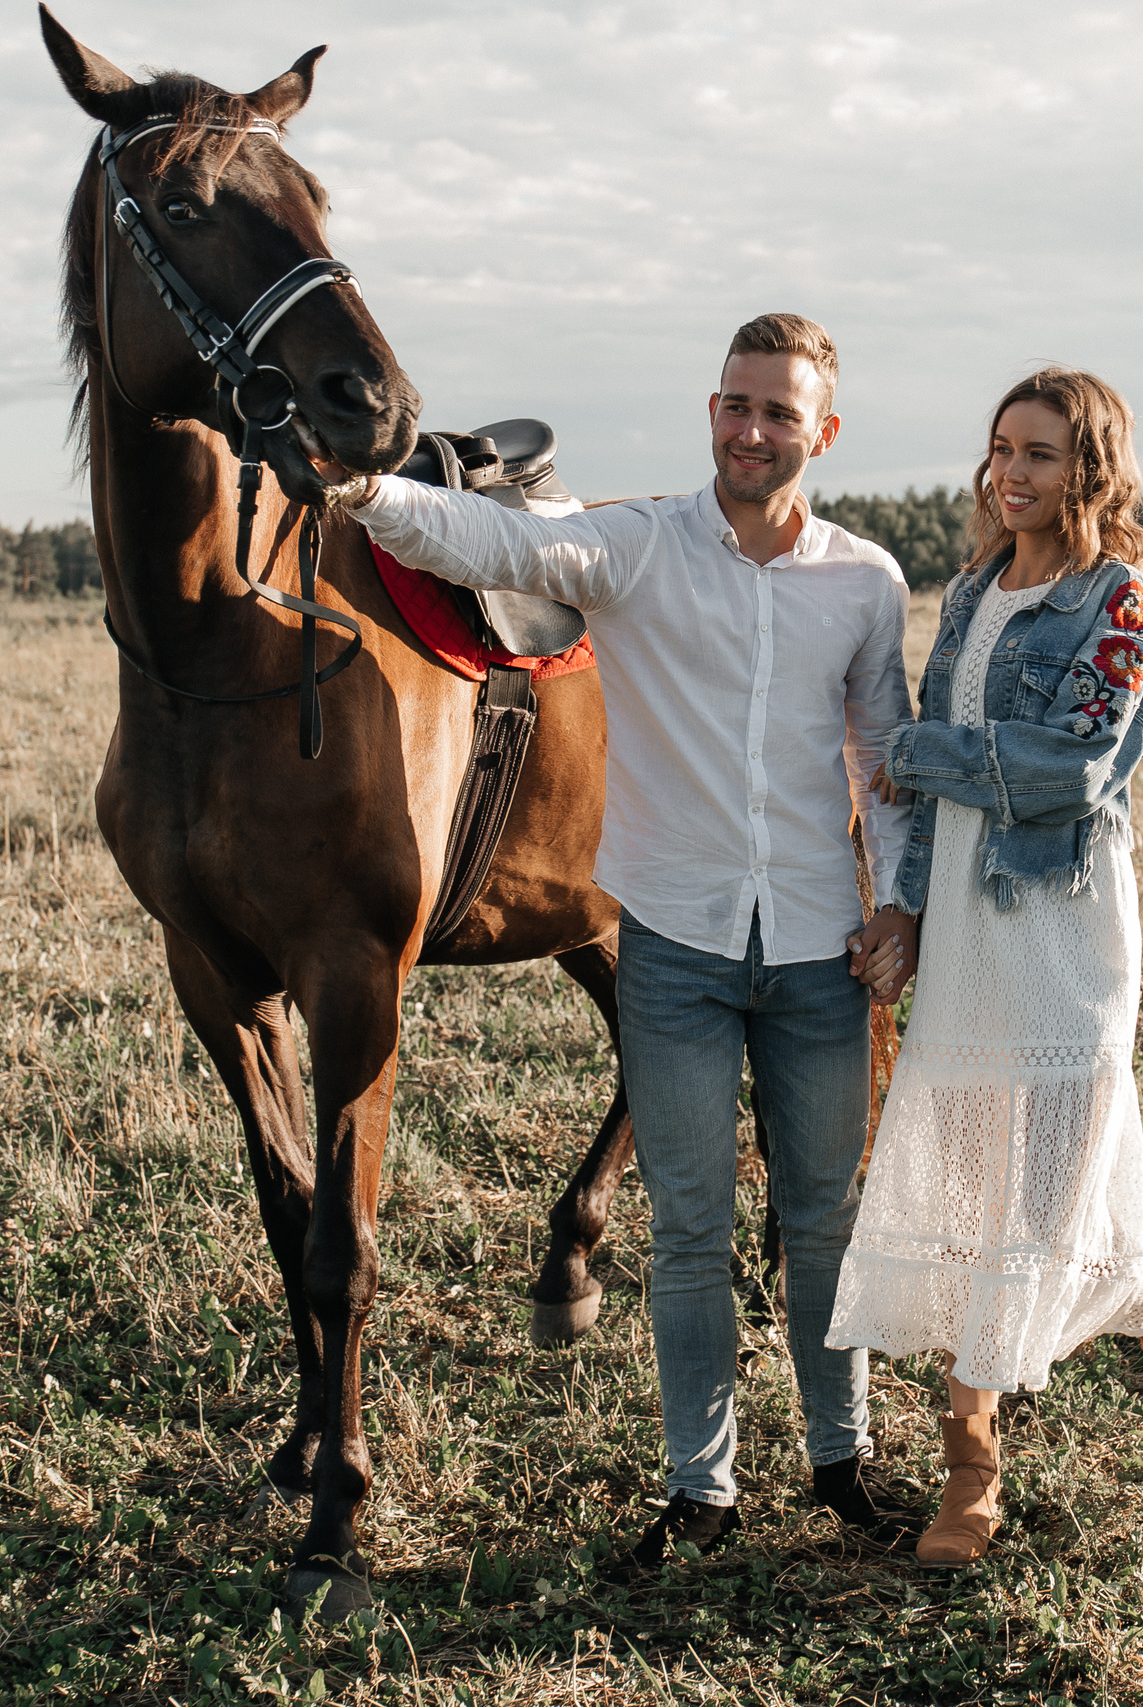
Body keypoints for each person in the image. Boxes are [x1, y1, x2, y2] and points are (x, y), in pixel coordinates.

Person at [311, 314, 927, 1567]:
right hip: (678, 954)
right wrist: (367, 488)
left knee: (823, 1222)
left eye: (778, 414)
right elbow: (490, 535)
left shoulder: (865, 583)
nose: (751, 431)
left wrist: (902, 903)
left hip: (820, 950)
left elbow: (882, 760)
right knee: (691, 1232)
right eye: (734, 405)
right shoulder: (637, 547)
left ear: (824, 433)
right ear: (712, 412)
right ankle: (700, 1491)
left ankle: (839, 1464)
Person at [825, 366, 1143, 1567]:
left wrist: (920, 749)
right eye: (1002, 447)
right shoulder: (967, 596)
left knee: (1057, 1195)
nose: (1011, 472)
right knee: (968, 1197)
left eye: (1041, 454)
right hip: (959, 923)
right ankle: (974, 1468)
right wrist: (900, 906)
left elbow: (1071, 767)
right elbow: (937, 791)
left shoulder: (1121, 603)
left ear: (1090, 469)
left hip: (1061, 930)